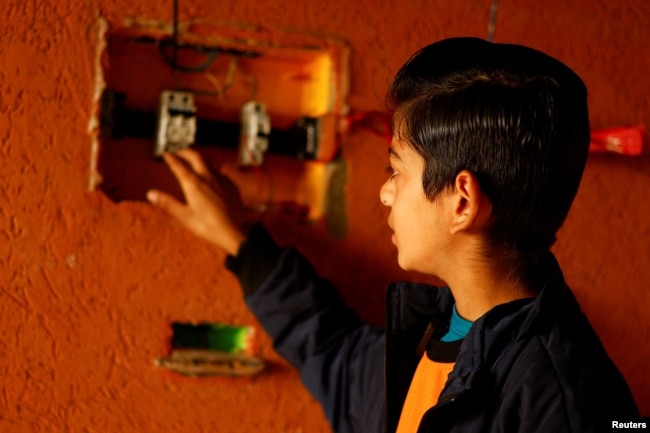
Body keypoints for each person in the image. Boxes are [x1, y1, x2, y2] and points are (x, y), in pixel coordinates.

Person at [146, 37, 639, 433]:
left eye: (395, 170)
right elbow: (333, 354)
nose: (385, 194)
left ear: (461, 201)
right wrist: (241, 242)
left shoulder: (573, 402)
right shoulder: (438, 332)